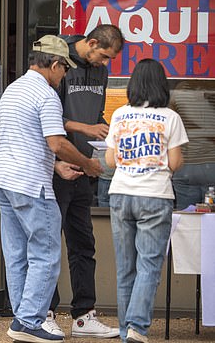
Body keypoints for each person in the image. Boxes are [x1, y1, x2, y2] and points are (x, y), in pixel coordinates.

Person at [0, 35, 103, 343]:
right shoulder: (46, 94)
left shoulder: (12, 90)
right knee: (46, 253)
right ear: (54, 65)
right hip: (31, 185)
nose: (64, 75)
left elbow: (19, 139)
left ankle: (21, 317)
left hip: (3, 181)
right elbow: (58, 143)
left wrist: (55, 166)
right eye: (63, 69)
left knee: (16, 254)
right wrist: (88, 164)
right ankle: (30, 320)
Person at [48, 24, 124, 339]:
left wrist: (108, 131)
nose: (105, 63)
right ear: (90, 42)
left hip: (85, 166)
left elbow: (95, 118)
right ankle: (45, 312)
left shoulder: (100, 73)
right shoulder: (60, 62)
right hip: (57, 166)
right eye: (103, 55)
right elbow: (48, 117)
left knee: (83, 243)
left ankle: (83, 315)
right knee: (48, 244)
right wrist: (87, 129)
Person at [105, 58, 188, 343]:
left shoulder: (119, 114)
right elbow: (175, 162)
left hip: (121, 193)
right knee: (149, 266)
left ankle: (125, 329)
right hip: (155, 195)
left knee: (125, 266)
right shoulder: (170, 117)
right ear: (162, 85)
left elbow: (109, 160)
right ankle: (137, 328)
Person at [169, 80, 215, 210]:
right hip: (212, 161)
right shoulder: (212, 89)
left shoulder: (178, 92)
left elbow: (171, 125)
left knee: (186, 218)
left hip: (186, 164)